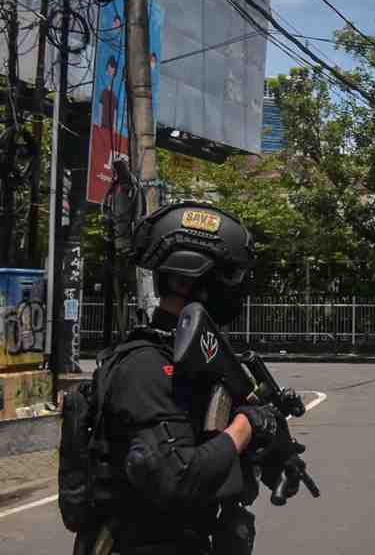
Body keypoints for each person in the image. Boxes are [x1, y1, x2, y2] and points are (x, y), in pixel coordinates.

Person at [78, 201, 285, 554]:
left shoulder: (192, 361)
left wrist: (275, 452)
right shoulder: (144, 366)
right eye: (228, 275)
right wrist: (245, 426)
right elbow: (177, 478)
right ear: (191, 279)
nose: (235, 290)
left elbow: (211, 441)